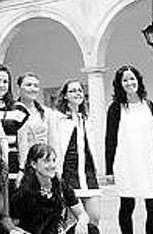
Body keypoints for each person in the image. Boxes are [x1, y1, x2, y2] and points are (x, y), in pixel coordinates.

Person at [105, 65, 153, 234]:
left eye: (132, 78)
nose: (130, 83)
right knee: (127, 205)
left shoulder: (149, 105)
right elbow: (110, 140)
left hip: (148, 163)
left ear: (138, 80)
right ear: (119, 84)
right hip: (126, 163)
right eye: (125, 80)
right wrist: (109, 169)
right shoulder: (116, 108)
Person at [11, 143, 98, 234]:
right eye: (47, 161)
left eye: (53, 160)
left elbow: (81, 214)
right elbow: (13, 226)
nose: (52, 165)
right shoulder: (23, 193)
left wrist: (82, 223)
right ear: (34, 164)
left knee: (91, 229)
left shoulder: (61, 185)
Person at [51, 79, 100, 226]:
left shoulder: (87, 119)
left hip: (88, 174)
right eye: (72, 91)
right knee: (72, 221)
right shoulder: (57, 118)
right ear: (65, 96)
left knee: (94, 217)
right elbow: (54, 145)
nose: (77, 93)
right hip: (68, 174)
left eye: (79, 90)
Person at [0, 65, 28, 175]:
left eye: (5, 82)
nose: (1, 85)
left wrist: (22, 169)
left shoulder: (19, 109)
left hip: (11, 163)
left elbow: (23, 143)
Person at [16, 72, 51, 173]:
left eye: (36, 86)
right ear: (19, 89)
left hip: (44, 162)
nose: (33, 88)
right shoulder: (13, 111)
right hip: (22, 164)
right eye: (28, 85)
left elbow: (52, 140)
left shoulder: (47, 112)